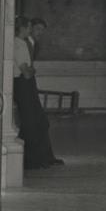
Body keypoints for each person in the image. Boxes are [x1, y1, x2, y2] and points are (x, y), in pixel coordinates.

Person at [13, 16, 63, 169]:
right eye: (36, 29)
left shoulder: (30, 43)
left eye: (42, 30)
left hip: (28, 83)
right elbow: (26, 70)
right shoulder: (21, 43)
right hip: (23, 82)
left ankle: (45, 157)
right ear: (28, 28)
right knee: (31, 122)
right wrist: (31, 70)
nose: (40, 33)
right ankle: (33, 159)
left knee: (40, 121)